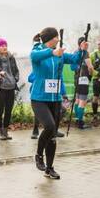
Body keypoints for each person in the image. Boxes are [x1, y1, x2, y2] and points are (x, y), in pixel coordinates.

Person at [31, 27, 86, 179]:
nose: (58, 40)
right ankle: (38, 155)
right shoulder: (38, 50)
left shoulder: (60, 54)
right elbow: (34, 57)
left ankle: (49, 168)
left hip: (55, 99)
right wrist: (52, 52)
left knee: (53, 135)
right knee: (49, 126)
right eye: (56, 37)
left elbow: (75, 60)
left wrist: (81, 50)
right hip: (39, 99)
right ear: (51, 38)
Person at [70, 37, 94, 129]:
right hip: (84, 79)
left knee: (77, 100)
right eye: (86, 43)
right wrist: (91, 74)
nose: (87, 45)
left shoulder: (75, 53)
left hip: (76, 79)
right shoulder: (85, 53)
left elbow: (72, 67)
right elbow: (90, 67)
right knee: (82, 101)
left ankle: (77, 120)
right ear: (82, 44)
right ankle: (80, 122)